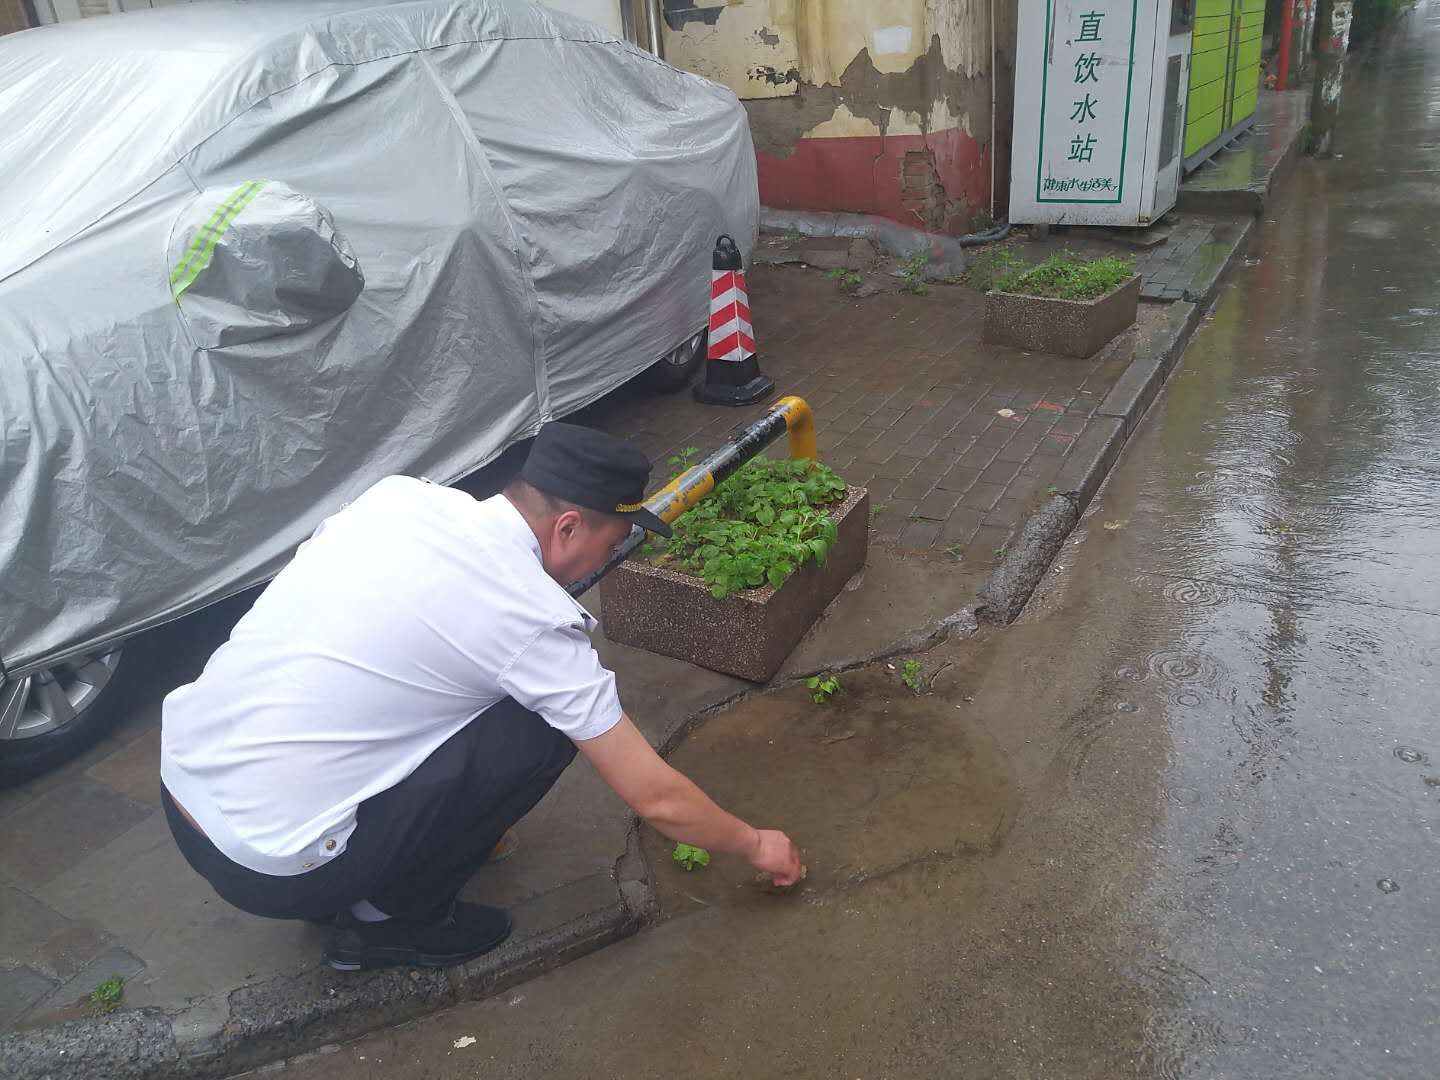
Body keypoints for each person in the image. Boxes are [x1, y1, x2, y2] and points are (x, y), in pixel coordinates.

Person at [159, 423, 802, 972]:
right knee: (541, 729)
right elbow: (654, 795)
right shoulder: (526, 618)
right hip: (270, 869)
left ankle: (354, 868)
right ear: (569, 527)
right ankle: (391, 921)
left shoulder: (400, 501)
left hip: (184, 788)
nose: (602, 565)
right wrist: (753, 842)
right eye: (610, 546)